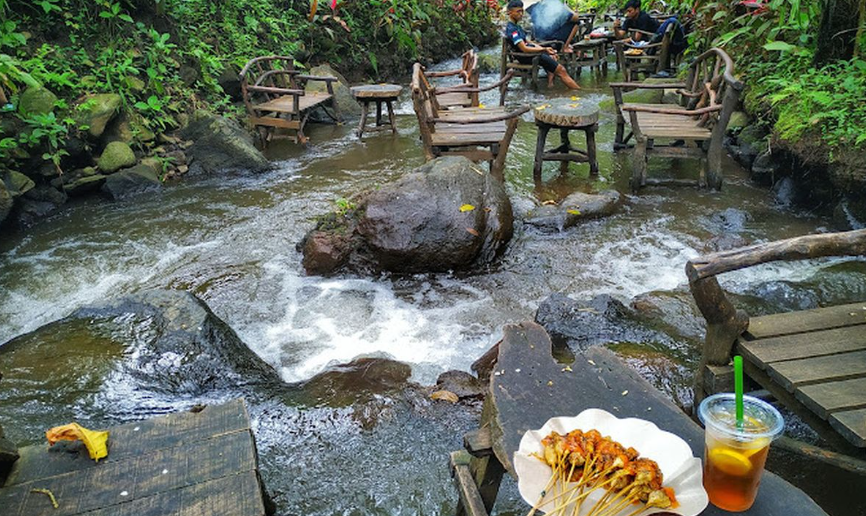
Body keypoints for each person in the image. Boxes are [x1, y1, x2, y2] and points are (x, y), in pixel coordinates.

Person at [505, 0, 580, 89]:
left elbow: (528, 42)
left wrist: (546, 50)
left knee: (559, 68)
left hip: (532, 54)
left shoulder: (516, 26)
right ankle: (579, 93)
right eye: (518, 11)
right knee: (561, 71)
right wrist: (543, 50)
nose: (521, 14)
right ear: (509, 12)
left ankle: (572, 90)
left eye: (522, 11)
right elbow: (524, 48)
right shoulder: (512, 29)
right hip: (528, 56)